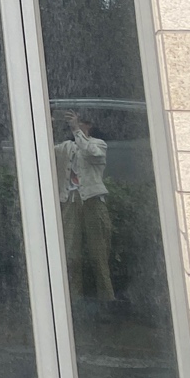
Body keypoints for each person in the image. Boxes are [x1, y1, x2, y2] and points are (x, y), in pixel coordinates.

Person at [56, 110, 115, 301]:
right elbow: (45, 152)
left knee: (99, 254)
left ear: (88, 125)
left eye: (79, 121)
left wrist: (76, 131)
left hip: (92, 200)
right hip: (70, 201)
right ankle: (74, 298)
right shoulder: (66, 146)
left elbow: (92, 153)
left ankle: (107, 299)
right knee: (71, 253)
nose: (75, 124)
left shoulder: (98, 144)